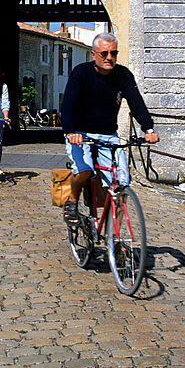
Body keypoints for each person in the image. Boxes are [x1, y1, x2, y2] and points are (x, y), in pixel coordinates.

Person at [59, 33, 158, 225]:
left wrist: (148, 129)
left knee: (120, 185)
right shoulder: (81, 73)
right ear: (93, 54)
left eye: (113, 53)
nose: (109, 58)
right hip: (80, 133)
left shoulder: (123, 75)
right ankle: (72, 200)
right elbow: (68, 104)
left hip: (108, 134)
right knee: (84, 171)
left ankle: (117, 244)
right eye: (104, 53)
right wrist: (71, 132)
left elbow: (136, 103)